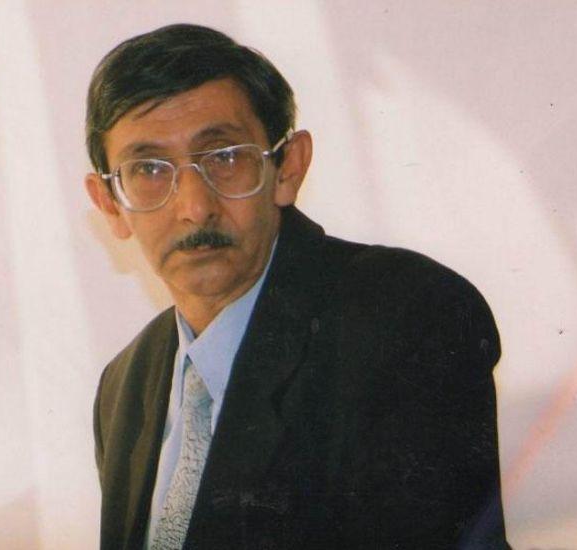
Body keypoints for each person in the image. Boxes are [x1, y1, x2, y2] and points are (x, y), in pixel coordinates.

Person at [84, 24, 508, 550]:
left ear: (288, 167)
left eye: (224, 157)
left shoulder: (407, 317)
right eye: (148, 168)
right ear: (109, 204)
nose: (193, 206)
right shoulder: (124, 386)